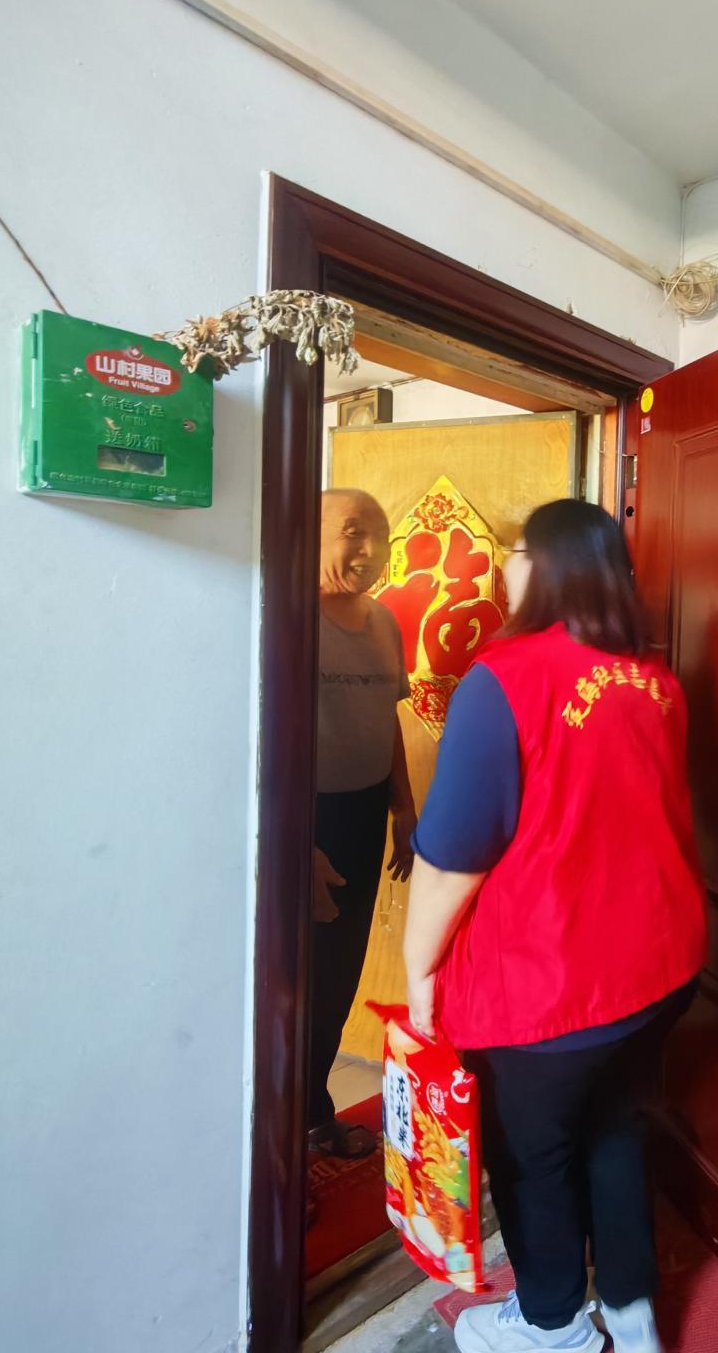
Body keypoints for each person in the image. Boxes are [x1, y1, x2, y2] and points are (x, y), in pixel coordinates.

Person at [400, 499, 705, 1353]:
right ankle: (632, 1311)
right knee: (613, 1123)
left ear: (541, 566)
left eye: (516, 551)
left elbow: (453, 855)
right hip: (657, 965)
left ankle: (551, 1323)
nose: (507, 566)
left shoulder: (503, 679)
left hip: (551, 982)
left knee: (533, 1155)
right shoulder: (654, 679)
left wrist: (419, 969)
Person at [311, 488, 417, 1160]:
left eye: (380, 533)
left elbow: (388, 720)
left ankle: (312, 1112)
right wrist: (297, 843)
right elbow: (261, 738)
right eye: (353, 531)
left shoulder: (383, 622)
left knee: (340, 972)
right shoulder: (286, 617)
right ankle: (279, 1130)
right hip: (306, 820)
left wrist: (403, 807)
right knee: (294, 981)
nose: (371, 550)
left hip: (365, 810)